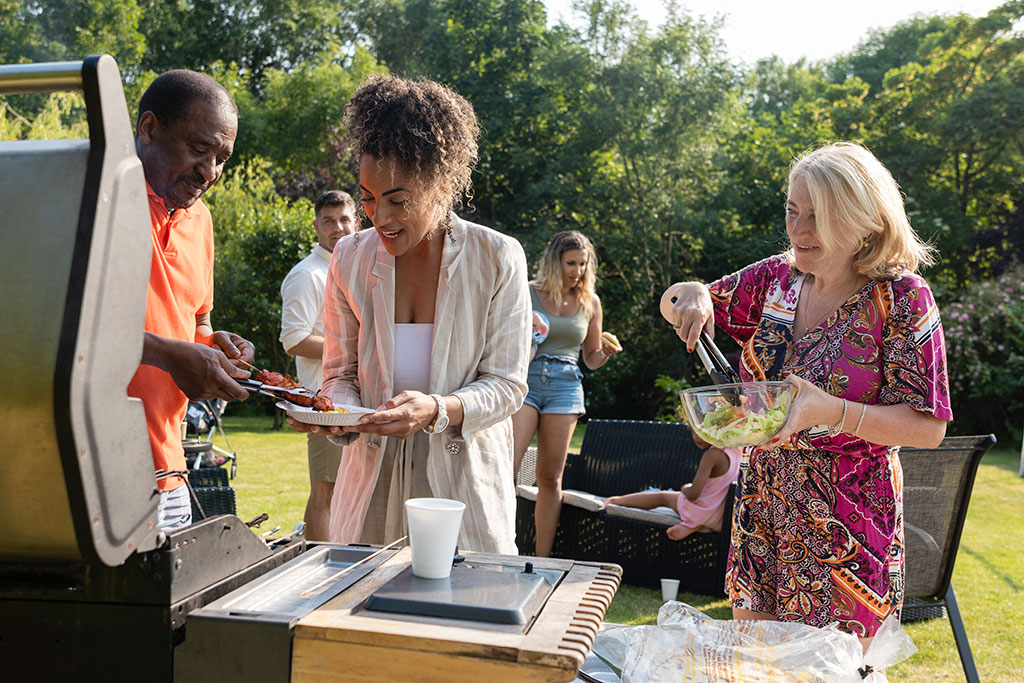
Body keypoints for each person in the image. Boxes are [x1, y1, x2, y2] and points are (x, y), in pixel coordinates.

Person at [661, 142, 951, 647]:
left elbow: (928, 427)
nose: (798, 230)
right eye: (793, 211)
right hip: (762, 513)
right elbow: (691, 300)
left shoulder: (902, 299)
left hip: (847, 533)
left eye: (818, 216)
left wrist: (829, 410)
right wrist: (687, 294)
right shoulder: (778, 278)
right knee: (755, 672)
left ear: (864, 221)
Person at [285, 74, 531, 554]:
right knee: (364, 613)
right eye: (369, 198)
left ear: (441, 187)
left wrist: (437, 410)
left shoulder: (498, 256)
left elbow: (508, 385)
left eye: (398, 200)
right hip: (372, 481)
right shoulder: (349, 258)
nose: (379, 217)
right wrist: (338, 412)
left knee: (463, 618)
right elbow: (340, 373)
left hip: (464, 487)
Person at [128, 69, 255, 531]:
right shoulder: (91, 198)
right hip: (92, 468)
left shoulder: (200, 221)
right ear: (148, 129)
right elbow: (52, 327)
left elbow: (196, 322)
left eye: (222, 157)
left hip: (171, 471)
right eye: (200, 149)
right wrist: (168, 354)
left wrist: (214, 348)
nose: (211, 171)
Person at [511, 230, 622, 557]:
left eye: (583, 264)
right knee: (507, 468)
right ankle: (500, 549)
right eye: (571, 263)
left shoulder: (591, 302)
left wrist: (604, 353)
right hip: (526, 380)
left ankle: (542, 559)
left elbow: (590, 359)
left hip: (566, 385)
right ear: (554, 261)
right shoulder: (527, 292)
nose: (578, 271)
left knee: (549, 477)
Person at [280, 190, 358, 541]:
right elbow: (294, 340)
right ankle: (317, 566)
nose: (337, 227)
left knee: (351, 492)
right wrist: (355, 349)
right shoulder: (307, 275)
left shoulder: (355, 268)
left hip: (355, 399)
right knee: (326, 491)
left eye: (344, 219)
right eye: (328, 220)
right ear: (315, 226)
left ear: (357, 221)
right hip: (323, 401)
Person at [605, 444, 740, 541]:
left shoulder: (712, 454)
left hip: (703, 511)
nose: (696, 437)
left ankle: (614, 501)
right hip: (721, 518)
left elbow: (693, 494)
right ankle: (694, 525)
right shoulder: (737, 452)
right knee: (674, 496)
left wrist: (685, 487)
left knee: (663, 497)